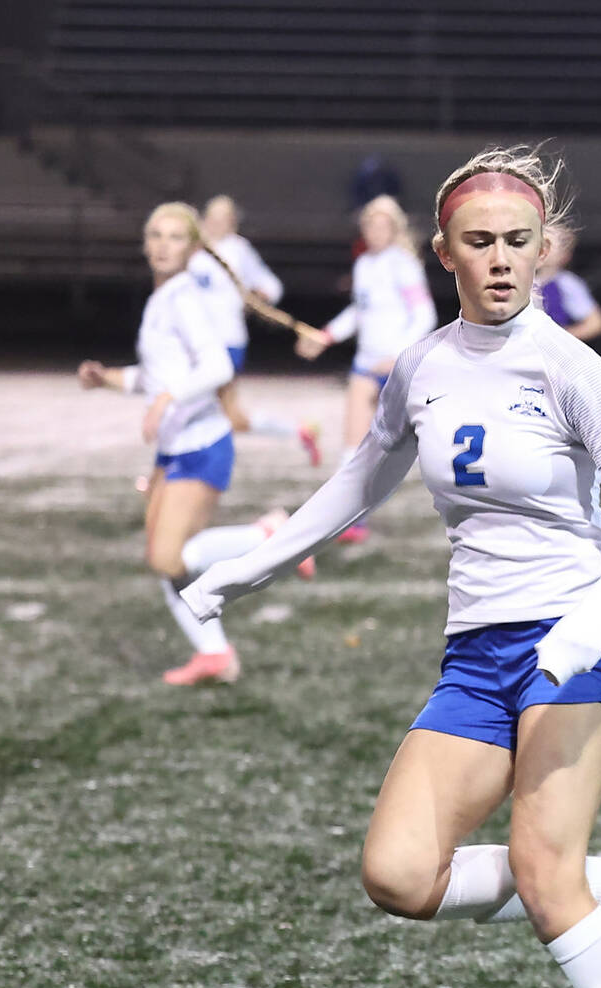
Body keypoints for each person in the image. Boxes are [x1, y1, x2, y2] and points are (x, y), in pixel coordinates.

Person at [179, 147, 601, 988]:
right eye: (481, 243)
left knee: (545, 880)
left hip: (572, 648)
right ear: (443, 254)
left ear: (542, 250)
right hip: (475, 658)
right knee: (397, 874)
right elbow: (356, 483)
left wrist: (585, 631)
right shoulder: (420, 365)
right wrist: (251, 565)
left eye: (519, 242)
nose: (502, 261)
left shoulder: (570, 368)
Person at [76, 203, 311, 687]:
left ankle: (269, 537)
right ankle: (215, 653)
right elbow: (157, 374)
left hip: (201, 445)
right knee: (169, 563)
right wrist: (108, 379)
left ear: (194, 247)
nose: (163, 245)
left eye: (174, 237)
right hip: (174, 448)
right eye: (155, 235)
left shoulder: (184, 298)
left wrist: (168, 397)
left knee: (167, 557)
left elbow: (217, 368)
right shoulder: (164, 298)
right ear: (145, 244)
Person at [296, 195, 439, 542]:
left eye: (381, 224)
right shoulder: (363, 266)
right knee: (353, 444)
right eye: (369, 225)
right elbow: (359, 314)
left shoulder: (402, 264)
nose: (375, 231)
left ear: (393, 228)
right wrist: (325, 335)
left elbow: (424, 316)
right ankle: (351, 519)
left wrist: (397, 356)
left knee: (411, 446)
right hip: (365, 364)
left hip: (396, 367)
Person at [189, 195, 322, 465]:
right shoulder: (193, 250)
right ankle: (299, 432)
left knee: (215, 411)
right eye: (212, 217)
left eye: (223, 219)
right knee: (219, 413)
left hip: (226, 341)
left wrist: (260, 294)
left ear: (232, 223)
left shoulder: (238, 250)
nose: (216, 224)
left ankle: (190, 467)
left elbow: (271, 286)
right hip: (195, 342)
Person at [535, 223, 601, 342]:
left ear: (564, 255)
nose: (541, 248)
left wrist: (559, 338)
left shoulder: (566, 283)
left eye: (549, 244)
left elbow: (596, 323)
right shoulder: (517, 278)